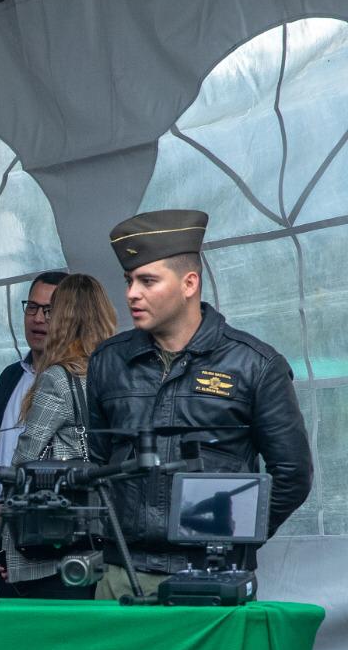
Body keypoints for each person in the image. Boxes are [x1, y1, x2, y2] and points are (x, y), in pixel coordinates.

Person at [87, 208, 313, 599]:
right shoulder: (109, 361)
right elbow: (96, 461)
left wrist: (235, 541)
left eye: (147, 280)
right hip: (120, 574)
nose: (131, 294)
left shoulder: (255, 365)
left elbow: (292, 475)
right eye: (128, 281)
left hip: (212, 580)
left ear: (189, 283)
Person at [0, 274, 117, 598]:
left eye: (51, 311)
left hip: (52, 551)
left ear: (63, 318)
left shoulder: (57, 379)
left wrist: (10, 550)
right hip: (100, 541)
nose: (42, 319)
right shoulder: (113, 374)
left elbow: (24, 463)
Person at [0, 270, 67, 594]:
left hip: (54, 544)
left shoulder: (79, 382)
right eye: (31, 308)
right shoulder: (10, 376)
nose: (37, 319)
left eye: (49, 311)